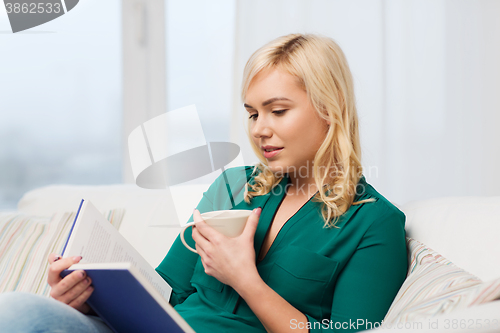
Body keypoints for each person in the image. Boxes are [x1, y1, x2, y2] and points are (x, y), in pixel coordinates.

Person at [0, 33, 407, 333]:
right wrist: (85, 298)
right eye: (252, 114)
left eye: (278, 111)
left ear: (329, 110)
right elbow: (166, 294)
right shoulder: (234, 187)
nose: (260, 129)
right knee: (21, 311)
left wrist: (245, 279)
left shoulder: (375, 223)